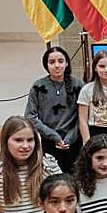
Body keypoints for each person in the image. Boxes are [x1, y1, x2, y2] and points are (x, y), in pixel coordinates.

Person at [0, 115, 62, 213]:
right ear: (6, 142)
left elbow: (65, 199)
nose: (26, 146)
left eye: (30, 140)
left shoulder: (48, 165)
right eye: (18, 140)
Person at [25, 45, 82, 173]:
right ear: (46, 65)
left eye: (60, 61)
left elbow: (83, 116)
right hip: (48, 143)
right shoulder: (38, 86)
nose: (57, 65)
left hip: (73, 143)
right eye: (52, 62)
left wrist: (71, 137)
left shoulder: (78, 85)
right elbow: (30, 116)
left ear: (66, 63)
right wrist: (53, 136)